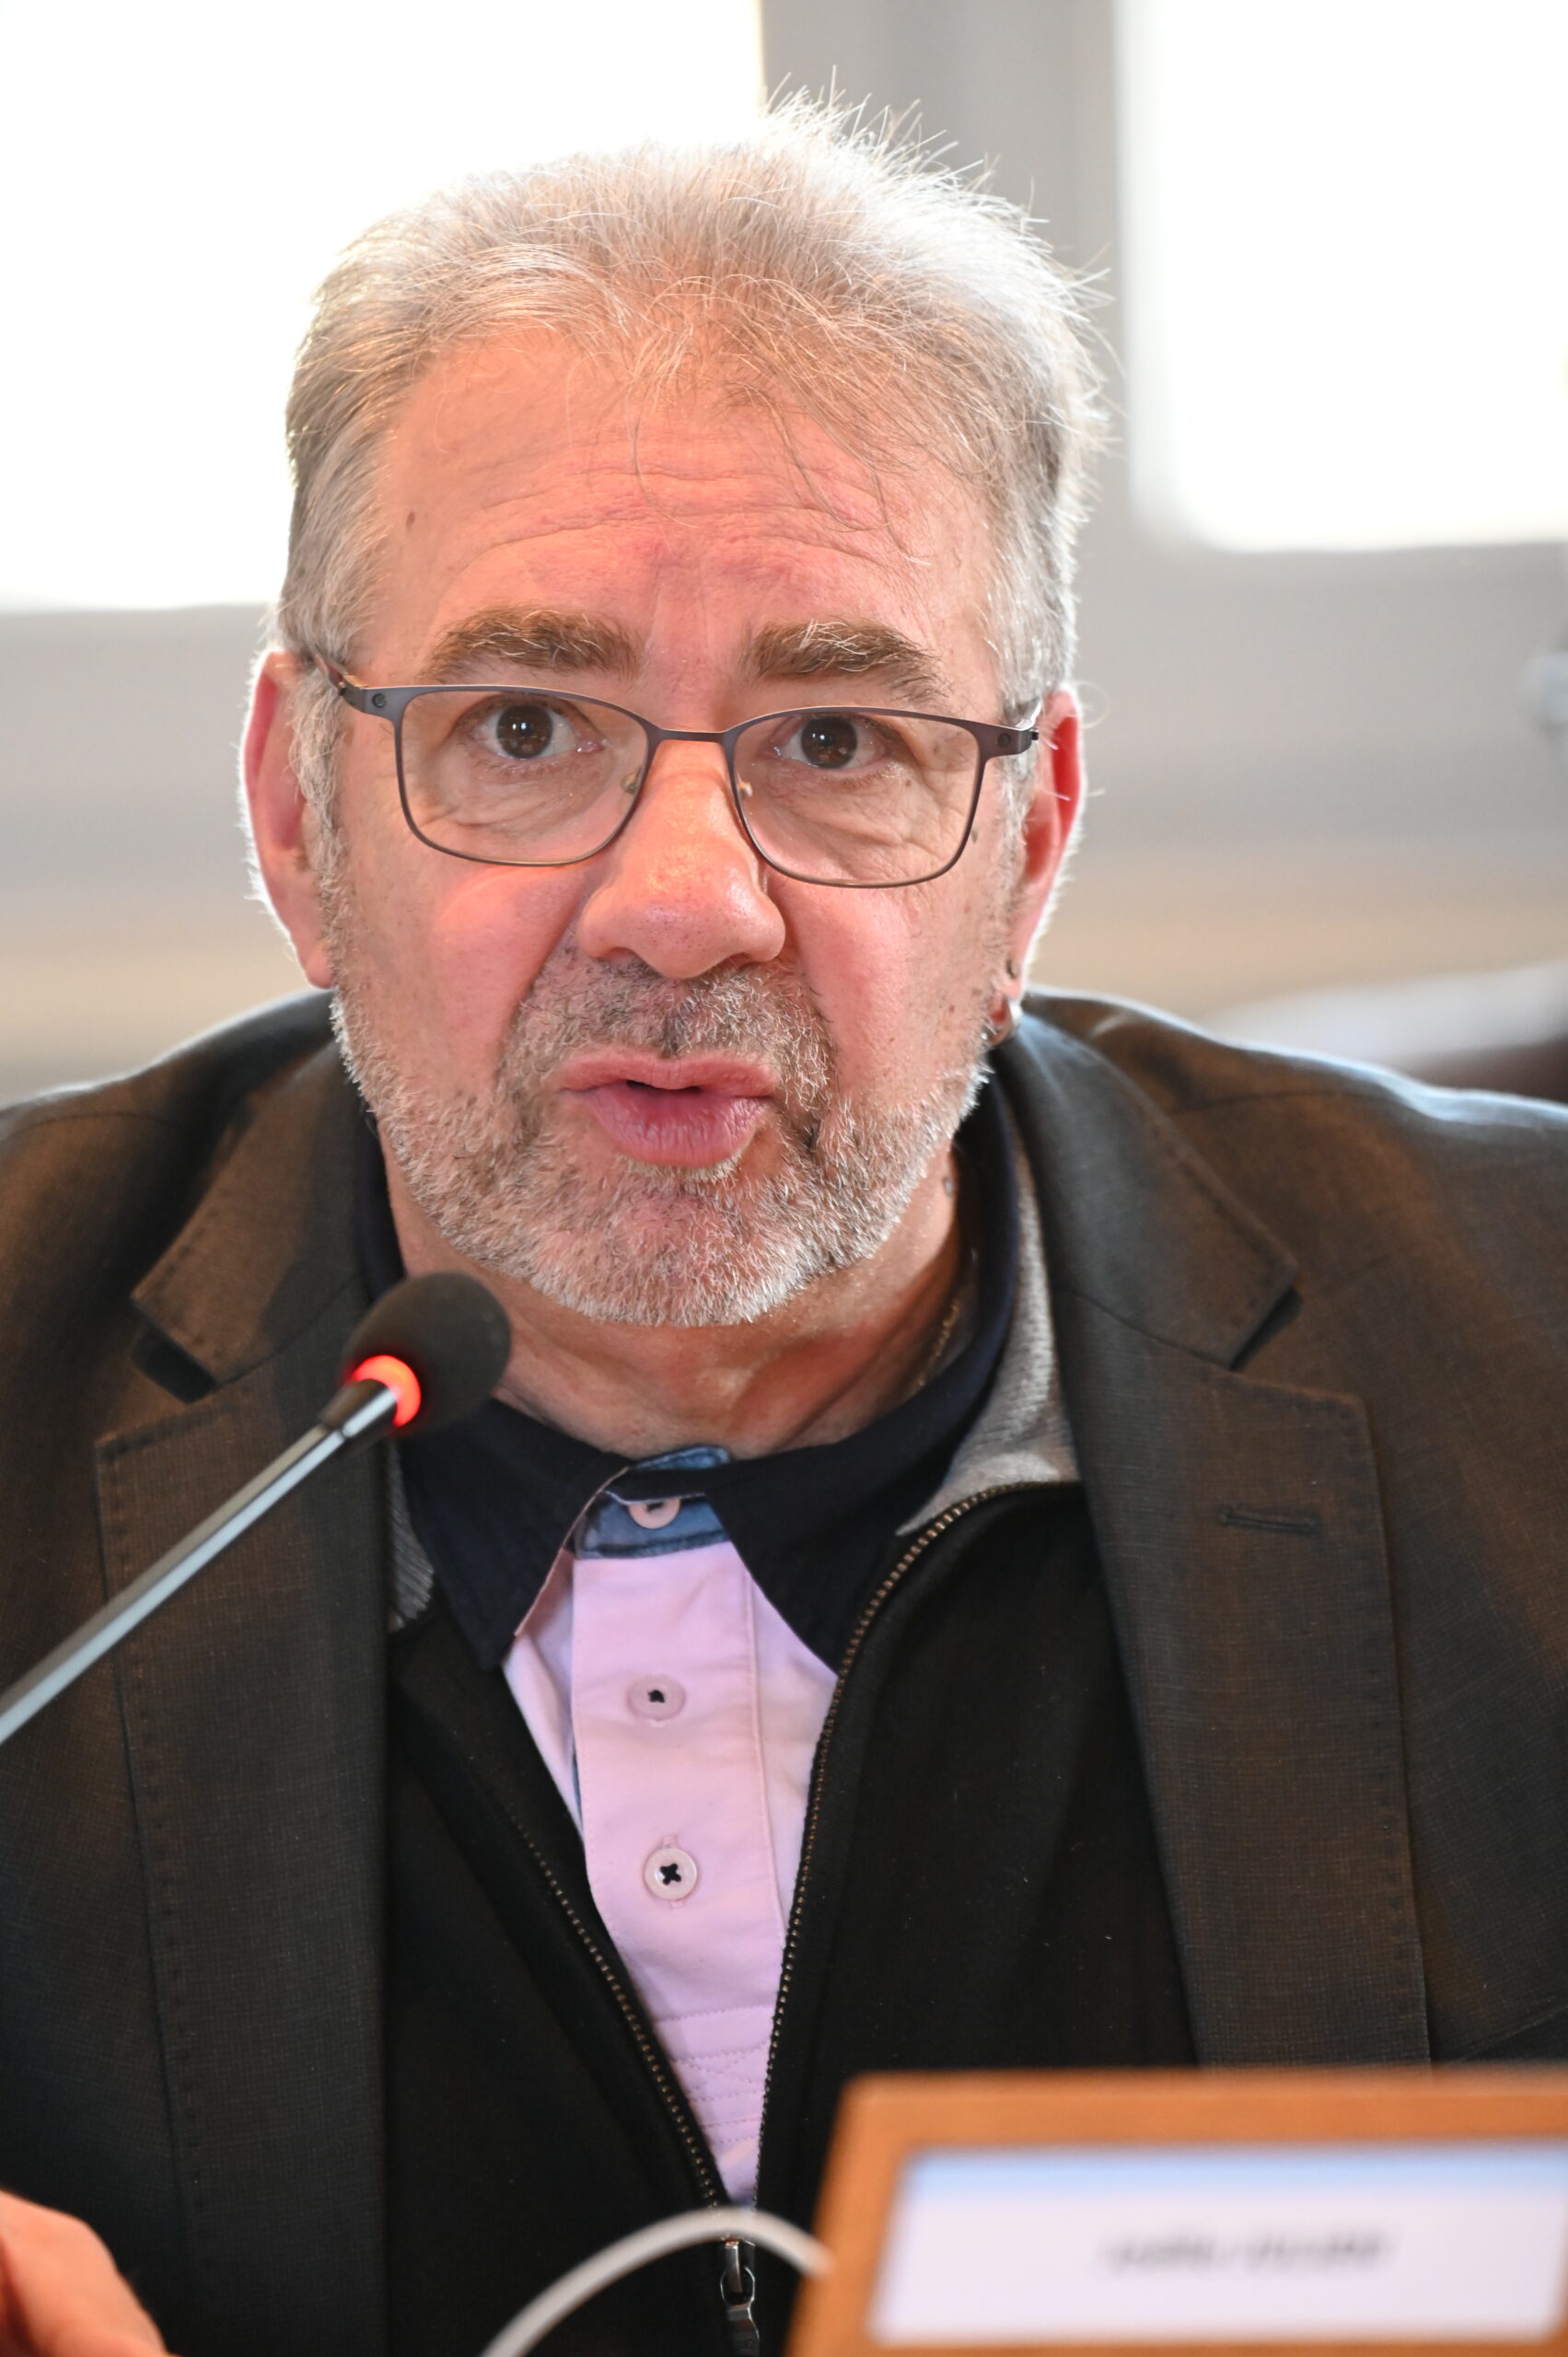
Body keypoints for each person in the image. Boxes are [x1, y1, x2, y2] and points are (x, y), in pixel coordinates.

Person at [1, 102, 1565, 2357]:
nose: (685, 903)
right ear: (294, 812)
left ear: (1030, 844)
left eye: (837, 737)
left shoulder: (1531, 1345)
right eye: (522, 724)